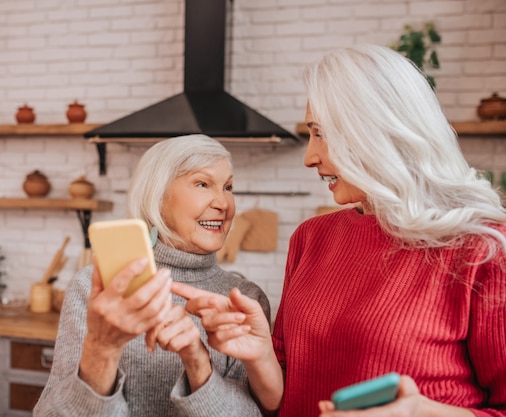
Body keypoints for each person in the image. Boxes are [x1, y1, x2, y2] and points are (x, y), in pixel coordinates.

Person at [172, 44, 506, 417]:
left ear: (376, 131)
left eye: (320, 134)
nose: (309, 157)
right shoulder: (311, 238)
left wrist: (422, 413)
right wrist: (260, 352)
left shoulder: (482, 249)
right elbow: (286, 401)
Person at [33, 134, 271, 417]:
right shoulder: (95, 287)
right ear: (157, 197)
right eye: (202, 184)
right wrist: (102, 350)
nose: (223, 203)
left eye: (228, 187)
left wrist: (198, 362)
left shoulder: (245, 300)